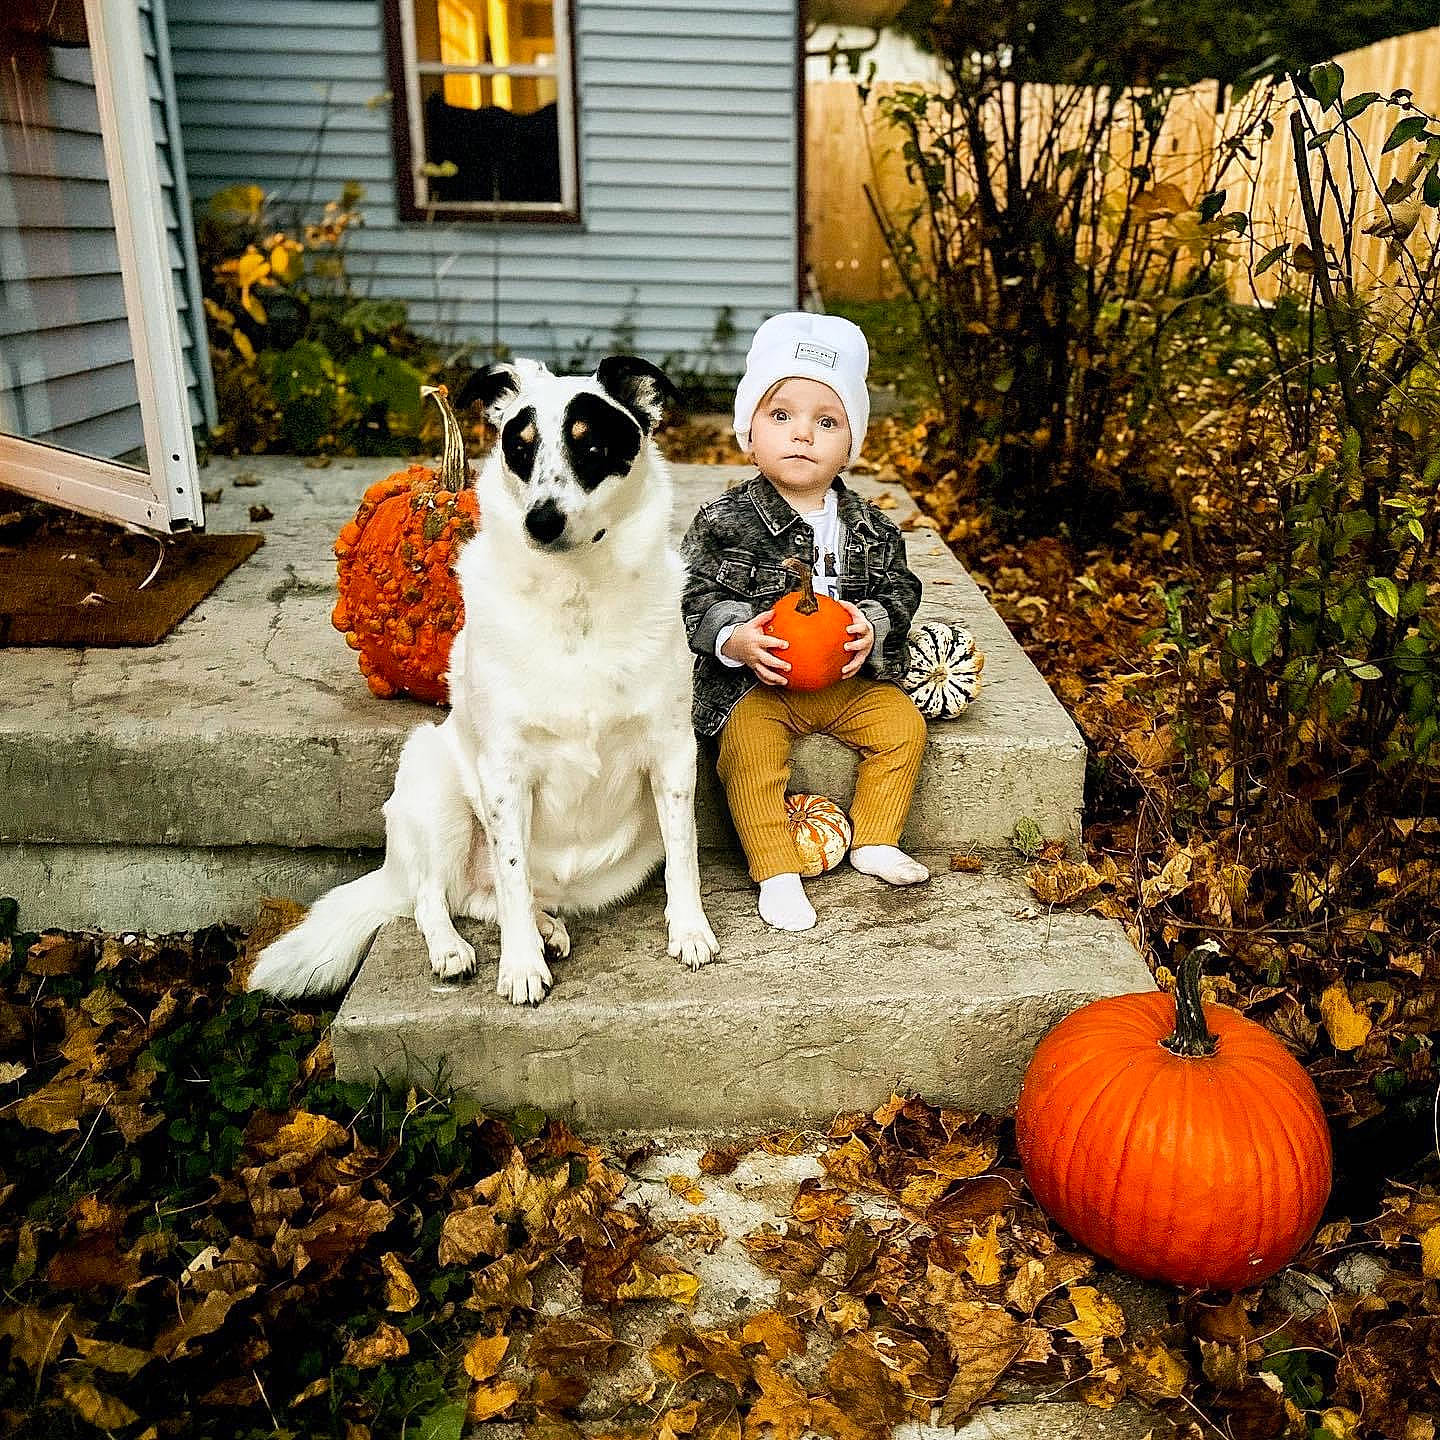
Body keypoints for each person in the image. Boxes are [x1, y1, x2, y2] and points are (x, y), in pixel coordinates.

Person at [681, 312, 929, 932]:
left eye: (827, 421)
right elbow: (689, 598)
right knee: (747, 749)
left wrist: (873, 624)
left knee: (903, 727)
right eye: (781, 415)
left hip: (846, 682)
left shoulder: (872, 526)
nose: (803, 435)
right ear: (748, 433)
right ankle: (775, 870)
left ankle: (874, 838)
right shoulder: (722, 522)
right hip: (758, 686)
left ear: (850, 443)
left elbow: (901, 588)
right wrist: (734, 638)